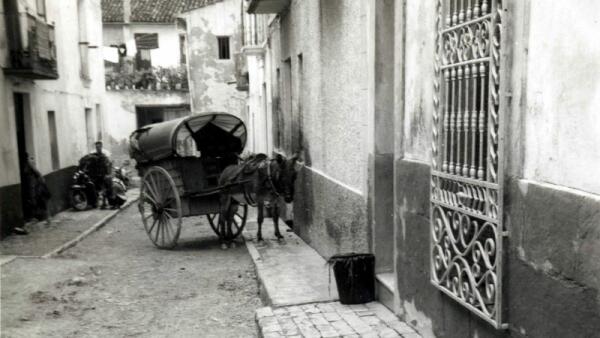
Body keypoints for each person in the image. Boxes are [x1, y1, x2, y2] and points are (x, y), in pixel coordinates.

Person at [83, 141, 112, 209]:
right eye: (96, 147)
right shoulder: (93, 155)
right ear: (95, 147)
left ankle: (104, 203)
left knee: (104, 189)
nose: (98, 148)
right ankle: (95, 203)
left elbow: (107, 165)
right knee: (94, 189)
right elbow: (89, 163)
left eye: (99, 147)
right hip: (95, 175)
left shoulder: (104, 156)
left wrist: (107, 173)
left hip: (102, 175)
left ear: (101, 147)